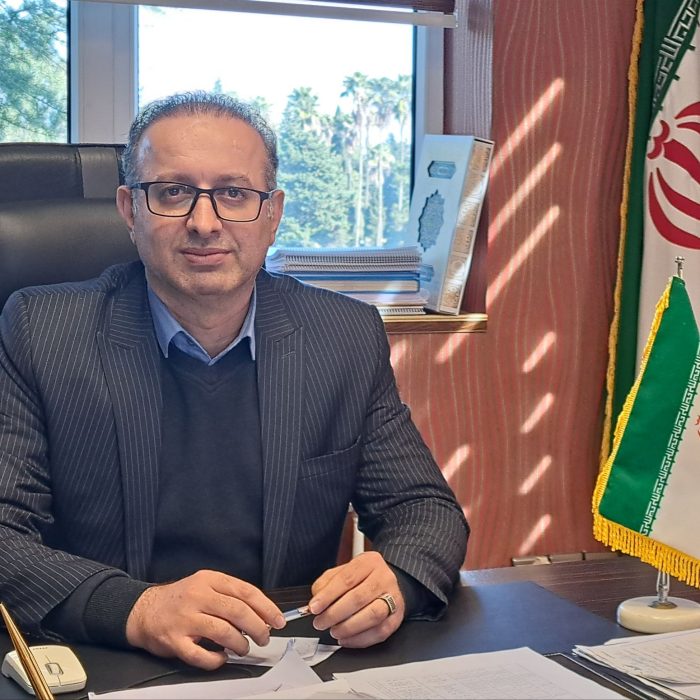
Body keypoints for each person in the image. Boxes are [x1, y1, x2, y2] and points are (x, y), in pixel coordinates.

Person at [0, 92, 469, 670]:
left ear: (272, 215)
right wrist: (135, 609)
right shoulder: (42, 331)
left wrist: (396, 580)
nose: (204, 223)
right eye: (173, 192)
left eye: (234, 194)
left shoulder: (343, 335)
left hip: (283, 660)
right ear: (129, 209)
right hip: (106, 659)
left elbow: (424, 509)